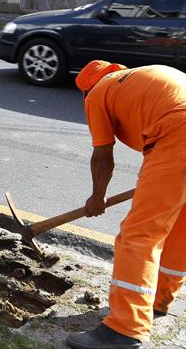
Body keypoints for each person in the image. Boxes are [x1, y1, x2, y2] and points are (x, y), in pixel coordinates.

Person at [66, 60, 186, 349]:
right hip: (176, 133)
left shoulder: (97, 92)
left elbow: (102, 155)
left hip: (178, 132)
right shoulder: (137, 77)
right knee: (179, 227)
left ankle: (124, 329)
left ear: (85, 90)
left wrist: (97, 197)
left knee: (139, 235)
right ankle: (157, 299)